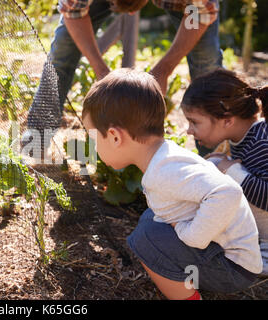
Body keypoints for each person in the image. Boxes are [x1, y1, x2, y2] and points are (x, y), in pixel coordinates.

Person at [82, 68, 263, 299]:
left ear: (115, 137)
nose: (93, 147)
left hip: (233, 268)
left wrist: (191, 236)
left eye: (93, 138)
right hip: (226, 256)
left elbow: (228, 192)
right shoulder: (163, 158)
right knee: (151, 220)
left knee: (146, 239)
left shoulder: (165, 171)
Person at [25, 0, 220, 156]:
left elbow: (200, 13)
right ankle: (36, 139)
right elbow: (72, 12)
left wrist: (164, 70)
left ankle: (215, 155)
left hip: (193, 6)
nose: (131, 15)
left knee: (206, 64)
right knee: (62, 54)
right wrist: (101, 71)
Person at [180, 68, 268, 277]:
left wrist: (232, 171)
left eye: (194, 122)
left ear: (227, 120)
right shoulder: (243, 137)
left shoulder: (262, 143)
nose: (189, 130)